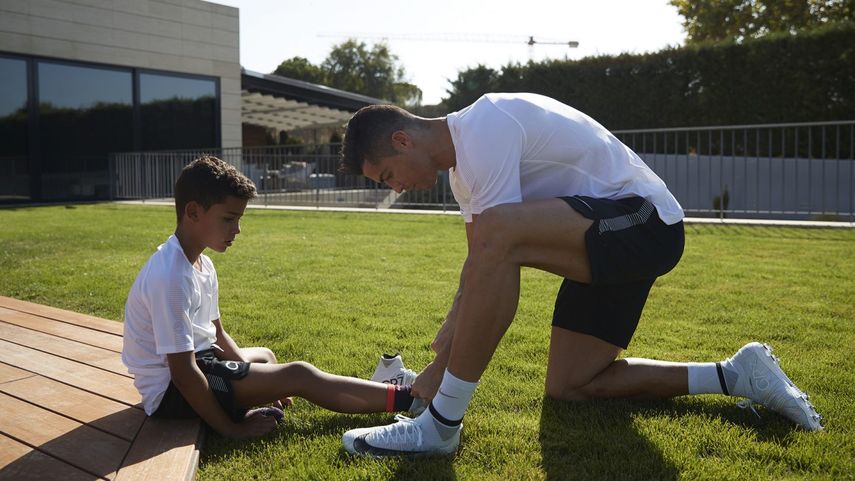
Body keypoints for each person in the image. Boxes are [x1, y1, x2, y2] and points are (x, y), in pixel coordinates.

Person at [337, 93, 823, 457]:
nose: (396, 189)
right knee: (572, 384)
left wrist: (440, 382)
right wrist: (439, 354)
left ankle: (443, 424)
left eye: (387, 176)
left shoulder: (486, 123)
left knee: (496, 235)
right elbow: (477, 268)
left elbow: (496, 245)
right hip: (604, 245)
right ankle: (738, 374)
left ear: (402, 140)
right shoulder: (465, 175)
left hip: (648, 223)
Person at [121, 156, 421, 439]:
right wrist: (231, 429)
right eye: (228, 219)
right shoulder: (170, 275)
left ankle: (249, 396)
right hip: (172, 393)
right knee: (299, 375)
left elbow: (218, 334)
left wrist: (259, 380)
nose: (237, 229)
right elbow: (184, 373)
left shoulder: (202, 263)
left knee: (264, 356)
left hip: (202, 363)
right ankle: (410, 399)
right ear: (193, 212)